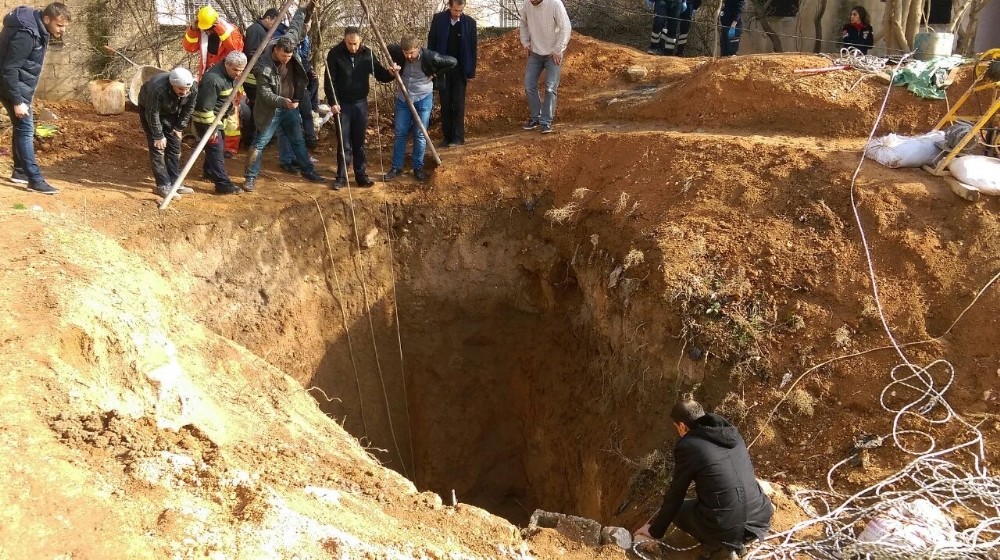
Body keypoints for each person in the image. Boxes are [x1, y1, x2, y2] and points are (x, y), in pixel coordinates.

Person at [633, 396, 773, 560]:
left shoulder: (689, 446)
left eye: (677, 428)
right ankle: (735, 542)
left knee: (678, 511)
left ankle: (720, 550)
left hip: (727, 528)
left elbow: (676, 494)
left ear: (683, 426)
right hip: (759, 518)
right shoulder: (732, 434)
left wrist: (654, 530)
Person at [242, 1, 325, 193]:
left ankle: (308, 170)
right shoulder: (263, 65)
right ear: (276, 50)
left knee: (298, 139)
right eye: (284, 57)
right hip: (270, 109)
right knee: (259, 143)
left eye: (290, 56)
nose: (287, 59)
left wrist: (305, 8)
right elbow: (264, 93)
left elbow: (297, 24)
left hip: (290, 106)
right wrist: (283, 102)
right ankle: (250, 177)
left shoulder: (289, 42)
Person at [0, 2, 70, 194]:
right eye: (59, 25)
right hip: (12, 87)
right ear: (46, 19)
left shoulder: (37, 29)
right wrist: (17, 101)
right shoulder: (26, 35)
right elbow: (10, 69)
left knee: (20, 127)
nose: (62, 30)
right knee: (25, 128)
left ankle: (20, 171)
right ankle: (34, 179)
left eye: (64, 26)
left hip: (18, 86)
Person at [324, 26, 396, 189]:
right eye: (350, 44)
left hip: (360, 104)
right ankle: (341, 177)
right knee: (344, 143)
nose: (353, 47)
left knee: (359, 142)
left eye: (356, 43)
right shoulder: (335, 54)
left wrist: (391, 74)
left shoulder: (367, 54)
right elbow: (330, 81)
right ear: (344, 40)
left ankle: (361, 176)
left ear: (360, 40)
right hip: (342, 104)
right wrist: (333, 102)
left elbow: (380, 74)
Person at [384, 36, 456, 182]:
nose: (409, 56)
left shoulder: (430, 56)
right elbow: (388, 47)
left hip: (423, 98)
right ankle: (396, 167)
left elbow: (453, 62)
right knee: (400, 133)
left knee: (420, 134)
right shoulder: (398, 53)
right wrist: (393, 67)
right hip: (403, 99)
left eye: (412, 53)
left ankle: (418, 167)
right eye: (406, 53)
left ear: (418, 48)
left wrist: (435, 75)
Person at [184, 5, 245, 157]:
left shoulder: (230, 31)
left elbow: (235, 51)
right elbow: (189, 47)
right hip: (209, 79)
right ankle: (209, 140)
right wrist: (192, 29)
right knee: (207, 111)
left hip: (228, 79)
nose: (206, 31)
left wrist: (221, 31)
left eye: (209, 28)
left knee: (231, 114)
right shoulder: (202, 32)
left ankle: (230, 148)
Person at [138, 67, 198, 199]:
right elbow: (152, 113)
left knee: (175, 147)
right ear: (172, 85)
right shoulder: (158, 89)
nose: (185, 92)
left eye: (187, 89)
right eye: (181, 89)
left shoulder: (192, 88)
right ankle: (163, 185)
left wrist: (179, 127)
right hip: (149, 110)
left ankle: (176, 183)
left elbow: (189, 108)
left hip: (171, 110)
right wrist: (158, 135)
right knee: (158, 148)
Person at [192, 51, 247, 195]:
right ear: (226, 64)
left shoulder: (229, 76)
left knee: (214, 148)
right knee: (216, 148)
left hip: (218, 118)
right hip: (206, 120)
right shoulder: (213, 80)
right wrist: (213, 128)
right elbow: (204, 109)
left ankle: (209, 172)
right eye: (235, 70)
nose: (238, 74)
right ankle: (222, 184)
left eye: (241, 71)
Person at [428, 0, 477, 148]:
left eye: (461, 11)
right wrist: (432, 67)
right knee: (445, 103)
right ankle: (447, 137)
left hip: (460, 69)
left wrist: (471, 71)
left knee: (459, 103)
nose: (458, 14)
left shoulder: (470, 23)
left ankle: (458, 137)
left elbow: (473, 48)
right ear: (450, 7)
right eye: (456, 11)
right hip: (443, 68)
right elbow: (431, 44)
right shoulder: (438, 19)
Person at [519, 0, 570, 135]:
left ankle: (546, 122)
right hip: (535, 53)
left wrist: (558, 49)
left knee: (550, 87)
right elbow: (523, 23)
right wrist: (525, 42)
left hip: (553, 54)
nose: (532, 1)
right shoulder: (527, 4)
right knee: (529, 85)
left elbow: (565, 27)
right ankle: (536, 117)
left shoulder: (554, 4)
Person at [276, 18, 318, 173]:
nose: (307, 28)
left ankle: (297, 155)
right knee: (285, 127)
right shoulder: (284, 42)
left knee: (303, 119)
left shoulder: (303, 42)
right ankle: (286, 159)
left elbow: (305, 58)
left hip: (301, 88)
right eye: (305, 26)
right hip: (286, 91)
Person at [242, 7, 280, 149]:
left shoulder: (262, 31)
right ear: (268, 18)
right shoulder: (256, 30)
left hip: (257, 77)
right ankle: (251, 139)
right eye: (274, 22)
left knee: (259, 109)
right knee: (257, 109)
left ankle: (257, 137)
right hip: (253, 79)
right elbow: (251, 53)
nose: (275, 26)